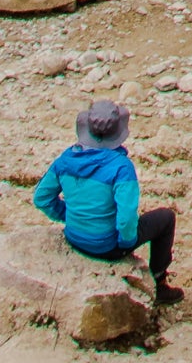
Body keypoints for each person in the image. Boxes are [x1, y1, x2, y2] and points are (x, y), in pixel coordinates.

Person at [31, 98, 177, 302]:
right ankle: (160, 284)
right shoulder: (121, 167)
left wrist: (70, 215)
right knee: (166, 217)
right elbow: (126, 218)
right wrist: (126, 243)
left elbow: (41, 198)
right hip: (108, 246)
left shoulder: (64, 160)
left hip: (74, 237)